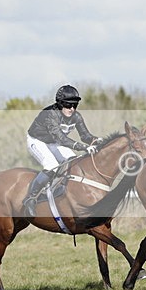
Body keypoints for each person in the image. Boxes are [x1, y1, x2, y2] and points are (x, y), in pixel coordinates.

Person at [23, 84, 102, 216]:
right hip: (37, 141)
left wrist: (97, 141)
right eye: (68, 105)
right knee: (51, 165)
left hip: (53, 142)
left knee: (73, 161)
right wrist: (84, 147)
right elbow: (61, 139)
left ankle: (62, 190)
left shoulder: (76, 116)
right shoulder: (50, 115)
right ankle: (30, 198)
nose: (72, 109)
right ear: (60, 104)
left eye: (75, 105)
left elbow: (85, 136)